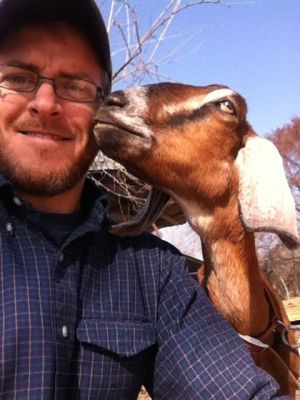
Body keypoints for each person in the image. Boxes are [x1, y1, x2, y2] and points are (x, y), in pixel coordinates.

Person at [0, 0, 293, 399]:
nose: (47, 103)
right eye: (18, 78)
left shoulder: (154, 272)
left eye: (75, 86)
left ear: (97, 104)